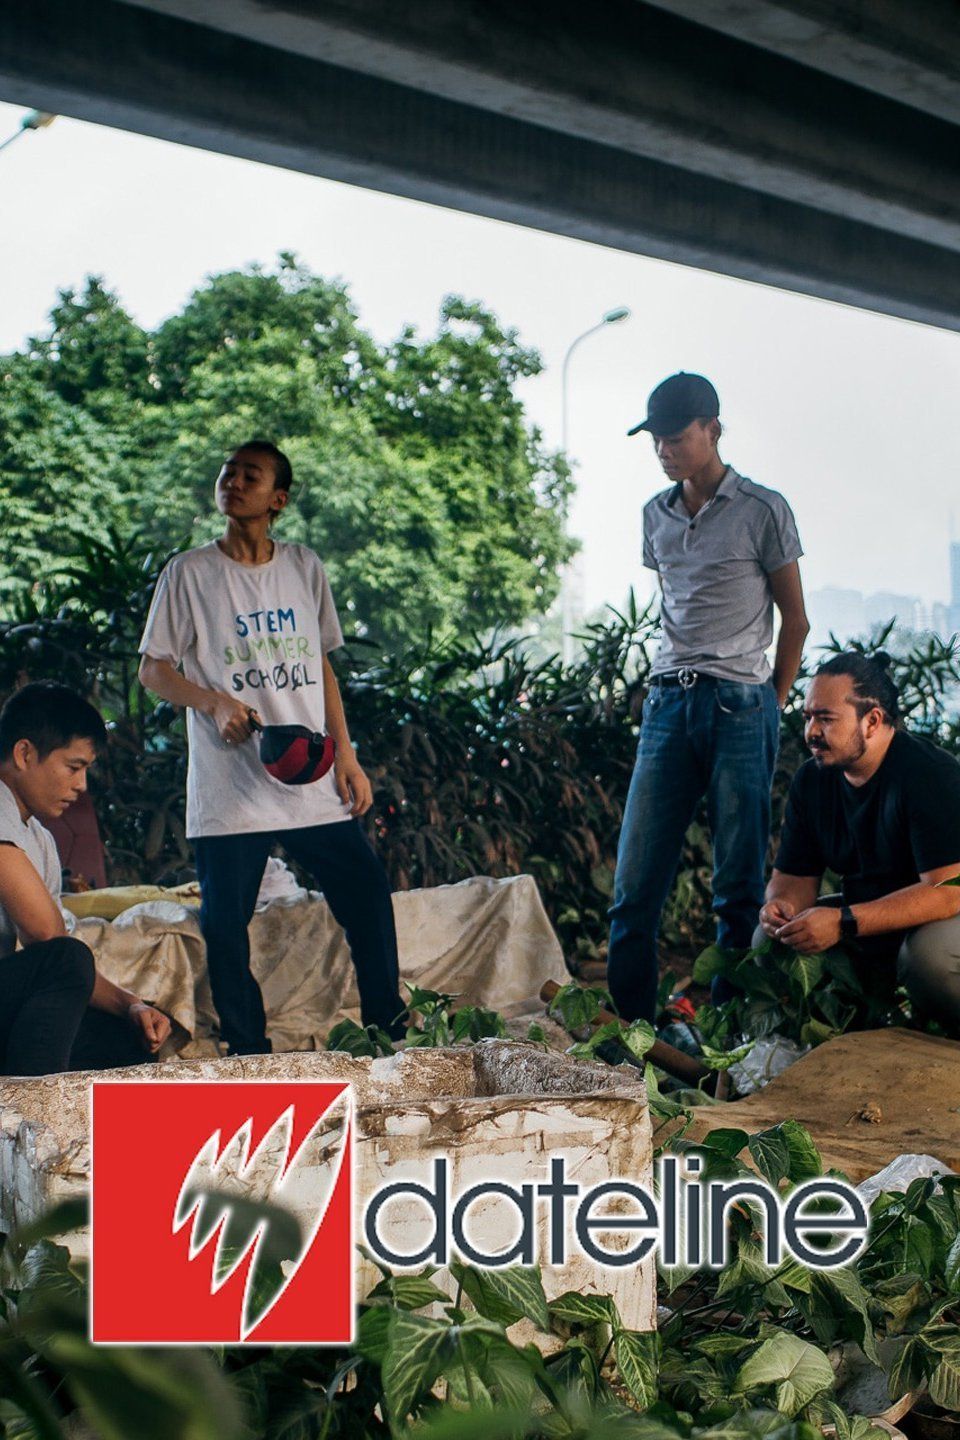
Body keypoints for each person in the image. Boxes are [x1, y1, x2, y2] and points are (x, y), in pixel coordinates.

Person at [138, 439, 406, 1055]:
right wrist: (214, 702)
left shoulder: (304, 567)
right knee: (225, 928)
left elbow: (321, 667)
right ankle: (248, 1054)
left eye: (250, 475)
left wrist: (347, 755)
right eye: (228, 471)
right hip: (230, 785)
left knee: (367, 895)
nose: (232, 482)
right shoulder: (189, 573)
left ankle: (387, 1038)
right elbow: (153, 670)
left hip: (309, 775)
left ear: (277, 499)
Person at [607, 373, 809, 1022]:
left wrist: (771, 703)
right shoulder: (655, 516)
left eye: (676, 437)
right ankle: (629, 1036)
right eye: (656, 440)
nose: (664, 450)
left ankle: (726, 1038)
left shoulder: (763, 509)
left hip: (741, 706)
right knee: (634, 886)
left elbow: (795, 621)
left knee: (738, 889)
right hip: (668, 704)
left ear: (713, 430)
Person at [760, 652, 960, 1033]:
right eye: (808, 717)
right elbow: (793, 879)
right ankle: (857, 1026)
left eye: (826, 718)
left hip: (944, 918)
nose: (811, 732)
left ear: (872, 721)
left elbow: (947, 891)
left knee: (928, 958)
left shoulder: (929, 774)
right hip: (867, 919)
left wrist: (844, 921)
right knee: (768, 941)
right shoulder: (812, 780)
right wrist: (781, 908)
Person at [0, 682, 172, 1075]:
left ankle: (43, 1102)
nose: (81, 785)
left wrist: (132, 1005)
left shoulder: (38, 838)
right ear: (24, 754)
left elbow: (55, 950)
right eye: (73, 767)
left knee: (129, 1033)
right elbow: (47, 935)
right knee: (66, 959)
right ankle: (31, 1110)